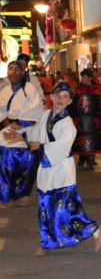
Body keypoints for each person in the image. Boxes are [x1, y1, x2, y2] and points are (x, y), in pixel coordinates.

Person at [3, 83, 101, 256]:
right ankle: (48, 242)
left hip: (61, 171)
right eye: (58, 95)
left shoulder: (68, 125)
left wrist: (35, 145)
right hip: (47, 170)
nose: (61, 99)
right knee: (46, 207)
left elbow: (60, 148)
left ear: (70, 101)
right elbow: (35, 131)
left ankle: (93, 231)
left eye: (65, 96)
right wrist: (20, 134)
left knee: (65, 209)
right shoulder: (46, 115)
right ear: (51, 97)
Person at [0, 61, 45, 208]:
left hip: (26, 130)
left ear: (23, 72)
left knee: (26, 165)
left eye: (16, 69)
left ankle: (23, 194)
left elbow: (37, 110)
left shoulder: (30, 89)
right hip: (8, 130)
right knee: (4, 163)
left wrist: (21, 124)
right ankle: (4, 197)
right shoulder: (5, 91)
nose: (13, 72)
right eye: (10, 69)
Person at [75, 68, 101, 168]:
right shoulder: (78, 89)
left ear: (89, 78)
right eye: (82, 77)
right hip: (81, 117)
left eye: (84, 77)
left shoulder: (96, 89)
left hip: (93, 118)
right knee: (81, 136)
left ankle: (91, 158)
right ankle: (82, 158)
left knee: (92, 137)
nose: (82, 78)